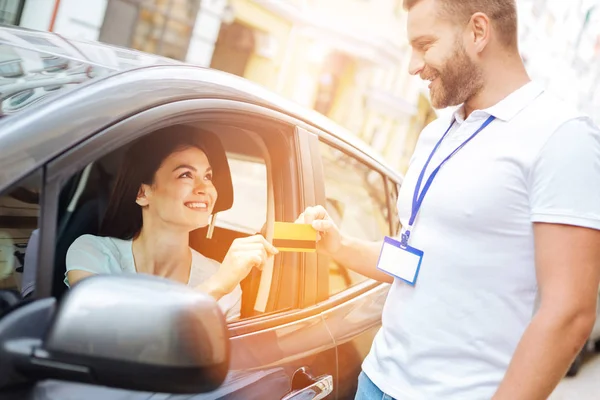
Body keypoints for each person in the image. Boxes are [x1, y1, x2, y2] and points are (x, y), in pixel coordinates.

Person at [296, 0, 600, 399]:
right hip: (376, 380)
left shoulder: (562, 136)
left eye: (424, 45)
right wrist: (339, 245)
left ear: (478, 32)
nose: (412, 65)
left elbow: (570, 315)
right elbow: (415, 262)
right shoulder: (437, 134)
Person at [65, 125, 278, 319]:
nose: (204, 188)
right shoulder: (92, 252)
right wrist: (216, 287)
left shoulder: (226, 279)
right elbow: (107, 331)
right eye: (186, 175)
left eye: (208, 176)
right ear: (142, 193)